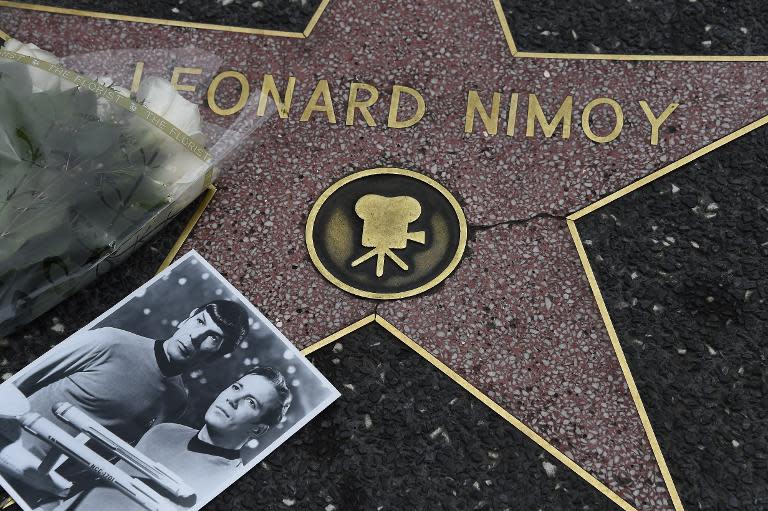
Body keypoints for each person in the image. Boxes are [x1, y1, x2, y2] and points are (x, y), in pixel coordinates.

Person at [5, 300, 250, 498]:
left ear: (215, 356)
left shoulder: (178, 402)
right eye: (199, 321)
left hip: (43, 492)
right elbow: (17, 383)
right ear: (187, 318)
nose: (196, 336)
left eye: (213, 337)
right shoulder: (110, 341)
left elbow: (116, 454)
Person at [60, 367, 292, 511]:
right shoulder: (164, 431)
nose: (233, 399)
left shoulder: (227, 482)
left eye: (251, 402)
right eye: (236, 387)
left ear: (259, 430)